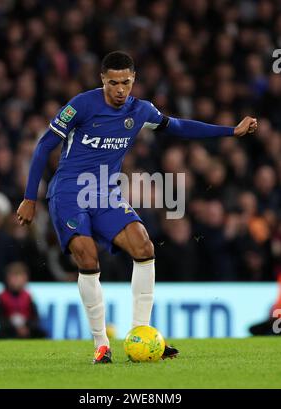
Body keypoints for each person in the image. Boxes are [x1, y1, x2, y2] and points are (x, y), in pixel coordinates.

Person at [17, 51, 257, 363]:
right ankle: (101, 345)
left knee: (144, 245)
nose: (120, 89)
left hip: (105, 193)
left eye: (126, 83)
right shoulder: (81, 105)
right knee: (88, 259)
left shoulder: (141, 110)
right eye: (113, 83)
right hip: (68, 192)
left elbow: (180, 126)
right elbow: (44, 145)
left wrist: (230, 131)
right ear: (103, 79)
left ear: (134, 80)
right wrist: (29, 198)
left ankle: (140, 335)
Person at [0, 262, 46, 339]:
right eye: (14, 278)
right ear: (8, 279)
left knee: (41, 333)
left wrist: (26, 325)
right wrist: (13, 325)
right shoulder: (2, 297)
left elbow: (35, 318)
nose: (17, 281)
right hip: (9, 329)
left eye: (20, 277)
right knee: (0, 334)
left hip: (27, 328)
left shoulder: (28, 297)